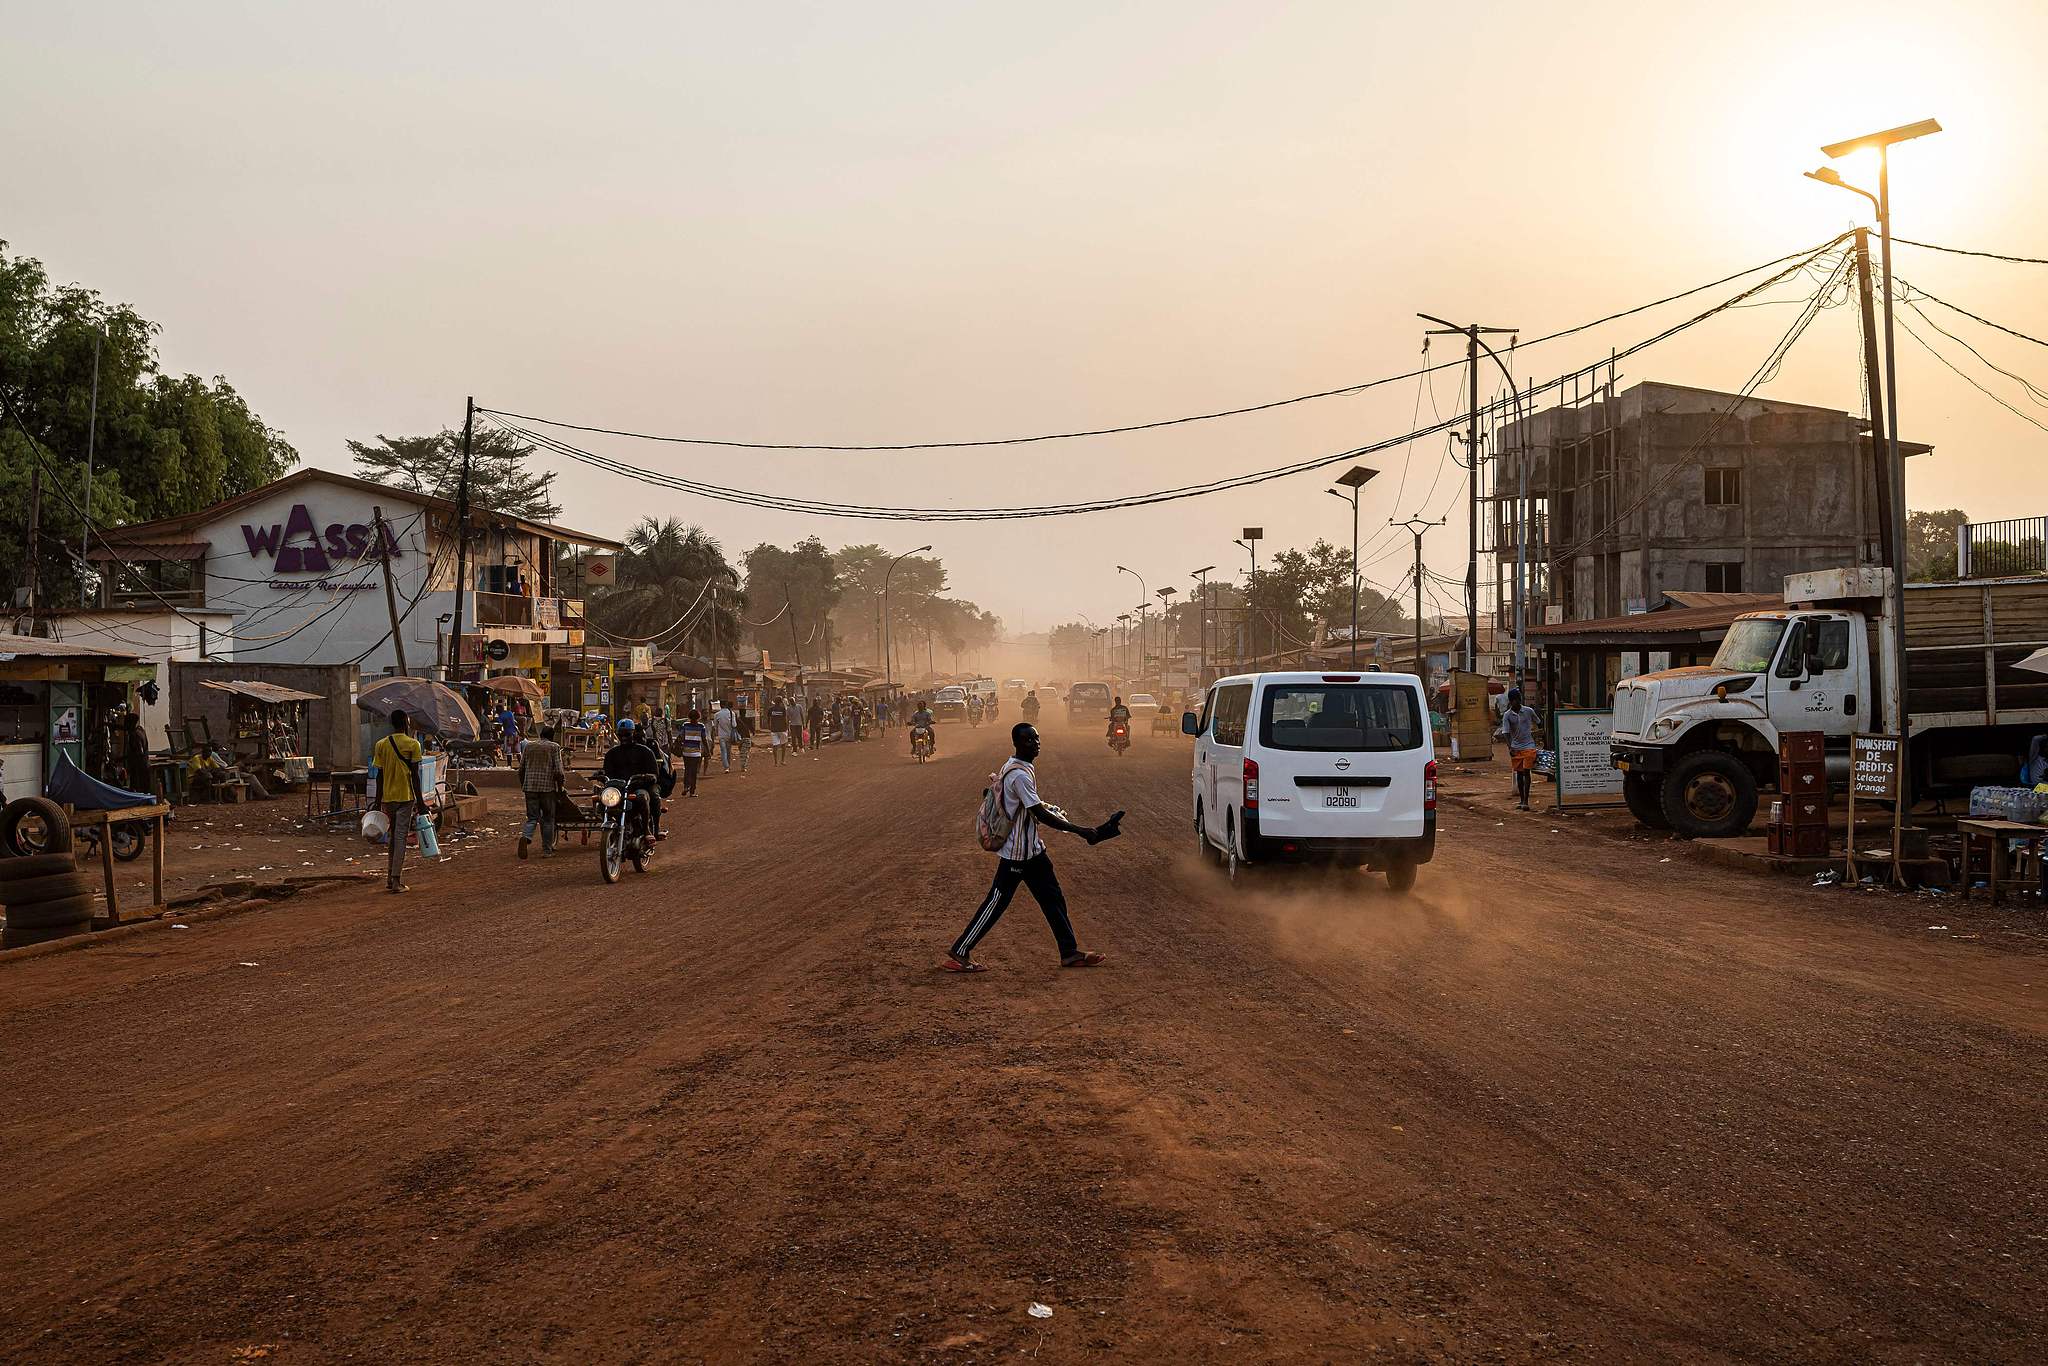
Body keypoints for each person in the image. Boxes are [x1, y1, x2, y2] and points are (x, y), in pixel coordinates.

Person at [943, 723, 1118, 973]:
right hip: (1018, 855)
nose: (1036, 744)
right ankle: (959, 951)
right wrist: (1082, 831)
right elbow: (1040, 814)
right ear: (1017, 743)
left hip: (1032, 851)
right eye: (1029, 740)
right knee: (995, 903)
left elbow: (1034, 808)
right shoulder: (1020, 775)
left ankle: (1069, 952)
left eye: (1037, 739)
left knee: (1053, 900)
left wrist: (1084, 829)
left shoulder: (1017, 766)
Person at [370, 708, 424, 894]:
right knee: (400, 837)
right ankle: (396, 880)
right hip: (405, 797)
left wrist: (377, 803)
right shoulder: (413, 745)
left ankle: (389, 877)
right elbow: (415, 776)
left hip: (387, 797)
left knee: (393, 837)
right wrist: (422, 803)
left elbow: (379, 776)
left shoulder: (381, 745)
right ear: (406, 723)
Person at [603, 717, 665, 841]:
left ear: (633, 734)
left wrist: (647, 777)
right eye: (621, 735)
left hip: (639, 787)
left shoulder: (645, 751)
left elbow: (654, 773)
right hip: (619, 789)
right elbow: (608, 772)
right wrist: (601, 775)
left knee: (642, 797)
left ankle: (648, 829)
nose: (624, 738)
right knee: (602, 800)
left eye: (627, 734)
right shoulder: (612, 753)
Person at [517, 723, 568, 858]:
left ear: (541, 735)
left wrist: (524, 785)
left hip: (530, 788)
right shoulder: (554, 747)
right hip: (547, 789)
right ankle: (547, 850)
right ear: (552, 737)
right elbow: (558, 771)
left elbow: (521, 769)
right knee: (548, 819)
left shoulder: (529, 746)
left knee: (532, 817)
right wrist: (560, 787)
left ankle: (526, 837)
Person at [1496, 686, 1542, 811]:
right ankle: (1522, 800)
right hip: (1516, 748)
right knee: (1520, 774)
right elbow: (1505, 732)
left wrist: (1539, 733)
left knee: (1527, 772)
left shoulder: (1528, 711)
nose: (1519, 701)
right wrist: (1510, 747)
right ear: (1512, 701)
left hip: (1529, 746)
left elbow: (1538, 722)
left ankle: (1526, 801)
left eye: (1519, 699)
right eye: (1516, 699)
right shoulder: (1507, 715)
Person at [675, 707, 709, 796]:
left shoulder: (685, 725)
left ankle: (686, 786)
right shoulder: (701, 726)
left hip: (686, 751)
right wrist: (708, 750)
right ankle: (692, 791)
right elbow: (704, 739)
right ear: (698, 717)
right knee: (694, 772)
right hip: (696, 752)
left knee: (687, 769)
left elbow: (681, 737)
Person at [711, 698, 738, 773]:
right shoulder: (732, 713)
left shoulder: (717, 714)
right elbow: (734, 725)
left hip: (721, 735)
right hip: (729, 735)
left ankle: (726, 767)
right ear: (726, 705)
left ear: (720, 705)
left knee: (723, 751)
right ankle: (728, 766)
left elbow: (715, 726)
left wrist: (717, 733)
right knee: (729, 751)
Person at [766, 692, 790, 767]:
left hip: (774, 730)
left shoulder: (771, 709)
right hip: (782, 729)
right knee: (783, 745)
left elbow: (768, 719)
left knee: (775, 746)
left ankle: (776, 762)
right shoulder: (783, 709)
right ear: (781, 702)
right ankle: (782, 760)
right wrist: (787, 728)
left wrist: (769, 727)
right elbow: (785, 719)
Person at [736, 705, 755, 774]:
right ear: (745, 713)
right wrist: (753, 733)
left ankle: (742, 765)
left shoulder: (737, 720)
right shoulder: (748, 720)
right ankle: (743, 767)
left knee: (741, 753)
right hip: (747, 737)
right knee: (745, 753)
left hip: (739, 738)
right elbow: (752, 729)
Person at [808, 697, 826, 761]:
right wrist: (806, 723)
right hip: (813, 723)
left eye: (816, 701)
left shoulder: (820, 709)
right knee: (812, 735)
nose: (815, 702)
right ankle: (812, 745)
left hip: (817, 723)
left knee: (817, 735)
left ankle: (817, 745)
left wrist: (821, 722)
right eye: (814, 701)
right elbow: (808, 716)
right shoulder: (811, 709)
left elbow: (823, 716)